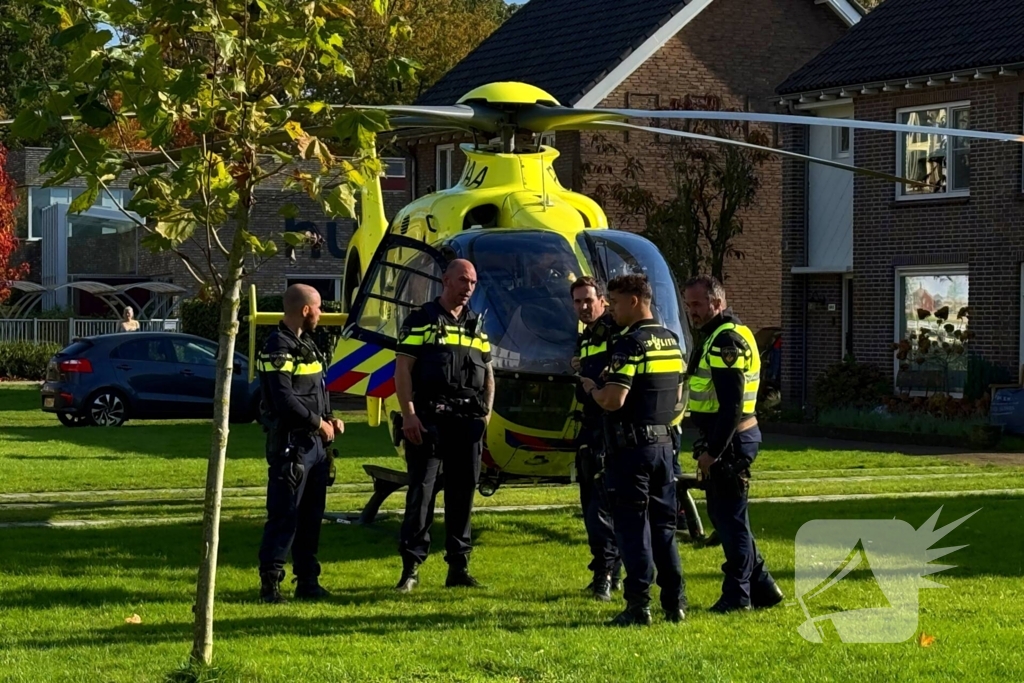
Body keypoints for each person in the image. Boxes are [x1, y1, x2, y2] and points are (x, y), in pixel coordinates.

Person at [581, 274, 686, 626]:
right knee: (664, 530)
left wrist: (591, 389)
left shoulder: (631, 344)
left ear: (635, 301)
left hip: (632, 449)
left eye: (614, 299)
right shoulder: (671, 341)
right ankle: (675, 603)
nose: (609, 306)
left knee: (632, 527)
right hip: (664, 445)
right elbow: (678, 396)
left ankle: (638, 605)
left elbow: (614, 399)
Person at [683, 275, 783, 613]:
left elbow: (731, 406)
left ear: (717, 302)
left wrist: (713, 451)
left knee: (730, 519)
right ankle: (764, 587)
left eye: (697, 304)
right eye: (688, 305)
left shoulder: (726, 340)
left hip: (732, 438)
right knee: (725, 515)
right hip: (729, 436)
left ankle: (737, 596)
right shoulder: (718, 335)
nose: (691, 311)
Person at [393, 259, 494, 592]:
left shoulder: (476, 325)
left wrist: (487, 415)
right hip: (429, 421)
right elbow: (404, 369)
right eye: (464, 280)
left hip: (467, 423)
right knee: (421, 493)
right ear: (445, 280)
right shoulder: (422, 320)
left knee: (462, 495)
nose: (469, 288)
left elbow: (489, 374)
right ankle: (411, 569)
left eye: (474, 282)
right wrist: (408, 413)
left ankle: (459, 568)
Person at [256, 284, 344, 603]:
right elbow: (282, 399)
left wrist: (330, 418)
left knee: (310, 516)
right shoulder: (278, 346)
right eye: (319, 308)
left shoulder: (306, 344)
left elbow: (319, 387)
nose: (322, 314)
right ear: (306, 310)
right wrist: (316, 422)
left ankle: (307, 581)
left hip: (316, 447)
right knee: (285, 514)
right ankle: (271, 583)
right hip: (292, 445)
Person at [569, 276, 623, 601]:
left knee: (599, 509)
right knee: (590, 502)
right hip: (590, 429)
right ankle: (610, 572)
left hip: (610, 430)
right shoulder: (587, 338)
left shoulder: (613, 333)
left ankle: (605, 574)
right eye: (577, 302)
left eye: (588, 300)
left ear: (602, 300)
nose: (583, 307)